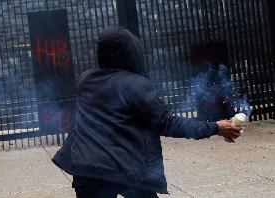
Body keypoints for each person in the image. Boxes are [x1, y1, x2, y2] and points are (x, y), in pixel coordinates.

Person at [52, 26, 241, 198]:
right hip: (125, 168)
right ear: (132, 52)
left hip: (87, 168)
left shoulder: (85, 80)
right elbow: (168, 123)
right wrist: (215, 127)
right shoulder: (137, 85)